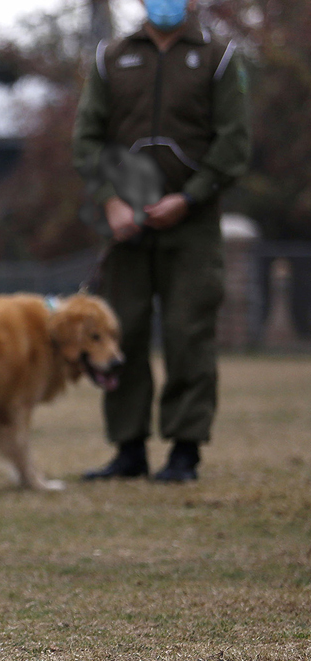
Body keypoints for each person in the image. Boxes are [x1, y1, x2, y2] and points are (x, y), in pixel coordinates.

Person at [73, 0, 250, 483]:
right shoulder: (112, 57)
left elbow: (234, 143)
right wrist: (111, 200)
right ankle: (128, 451)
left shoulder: (219, 56)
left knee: (187, 331)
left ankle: (184, 452)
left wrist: (188, 199)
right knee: (119, 333)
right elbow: (87, 139)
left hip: (192, 225)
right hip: (125, 224)